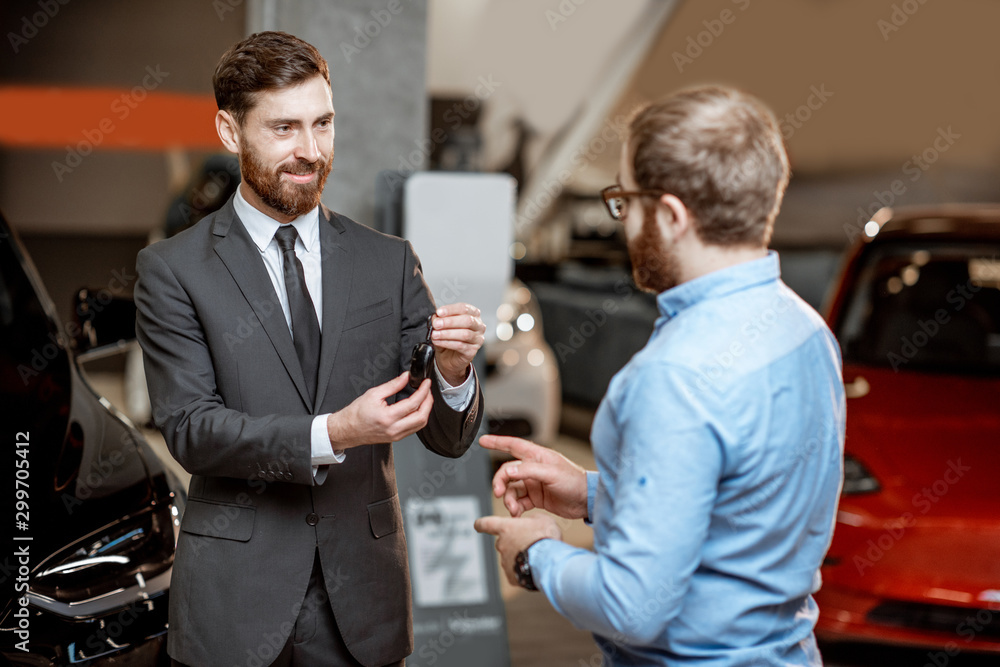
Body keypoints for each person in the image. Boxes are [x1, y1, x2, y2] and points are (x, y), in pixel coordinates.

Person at [135, 31, 485, 667]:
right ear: (228, 131)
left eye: (323, 123)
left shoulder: (388, 261)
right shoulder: (173, 270)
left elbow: (446, 436)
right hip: (234, 604)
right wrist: (336, 432)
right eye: (284, 128)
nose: (310, 151)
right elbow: (192, 430)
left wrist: (453, 373)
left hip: (363, 605)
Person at [475, 86, 846, 666]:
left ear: (670, 216)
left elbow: (633, 607)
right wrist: (597, 493)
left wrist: (537, 555)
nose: (623, 222)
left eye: (626, 201)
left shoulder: (673, 376)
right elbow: (744, 507)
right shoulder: (806, 332)